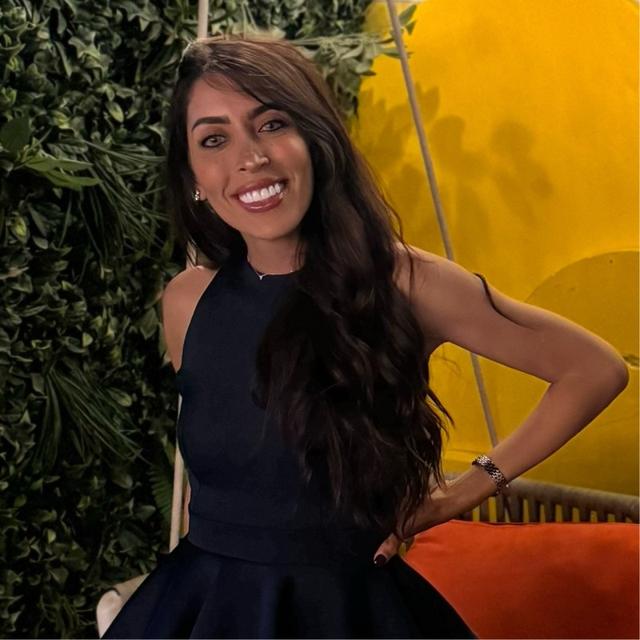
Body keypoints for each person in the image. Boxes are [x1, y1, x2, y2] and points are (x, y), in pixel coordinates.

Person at [101, 33, 629, 639]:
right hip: (203, 607)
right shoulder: (187, 301)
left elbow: (594, 369)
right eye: (214, 139)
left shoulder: (407, 282)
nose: (250, 158)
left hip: (347, 614)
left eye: (271, 124)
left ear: (316, 141)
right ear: (193, 174)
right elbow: (225, 472)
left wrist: (460, 494)